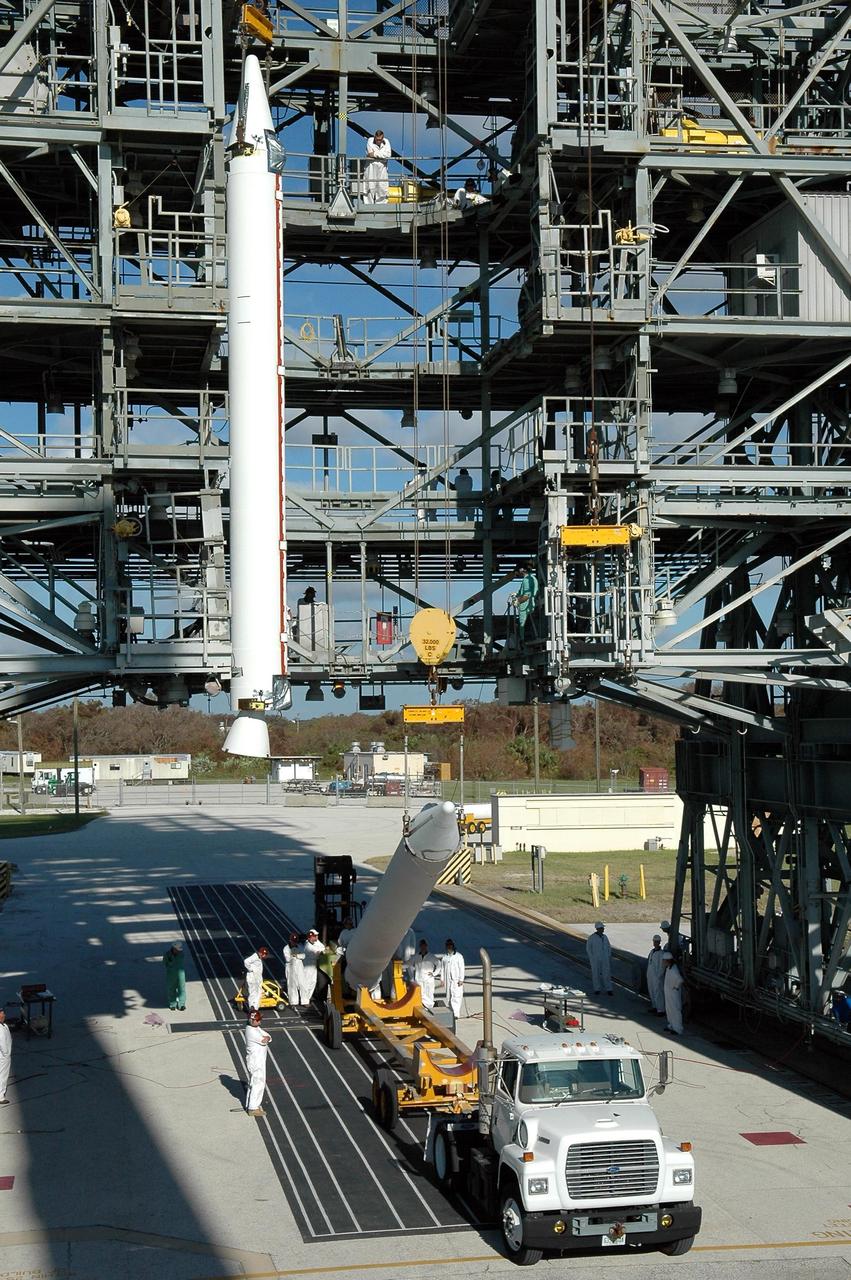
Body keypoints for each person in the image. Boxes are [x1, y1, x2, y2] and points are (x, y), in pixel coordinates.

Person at [244, 1008, 271, 1116]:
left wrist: (267, 1038)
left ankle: (251, 1104)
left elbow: (269, 1037)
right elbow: (264, 1041)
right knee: (257, 1083)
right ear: (252, 1021)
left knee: (255, 1083)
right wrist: (267, 1038)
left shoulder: (256, 1028)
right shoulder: (251, 1031)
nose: (260, 1021)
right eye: (258, 1019)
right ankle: (252, 1107)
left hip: (258, 1060)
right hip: (255, 1061)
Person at [364, 129, 391, 203]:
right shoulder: (370, 140)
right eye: (377, 139)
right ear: (374, 137)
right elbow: (369, 152)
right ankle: (368, 204)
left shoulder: (386, 142)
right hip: (371, 167)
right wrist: (382, 155)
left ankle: (382, 204)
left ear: (382, 138)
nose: (378, 141)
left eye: (380, 140)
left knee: (382, 186)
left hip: (382, 168)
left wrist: (375, 154)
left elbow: (388, 155)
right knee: (369, 186)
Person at [413, 938, 441, 1012]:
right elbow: (408, 963)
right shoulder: (416, 956)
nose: (423, 947)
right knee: (421, 995)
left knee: (429, 995)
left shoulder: (431, 956)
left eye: (424, 945)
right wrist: (399, 965)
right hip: (419, 980)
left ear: (426, 946)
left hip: (428, 980)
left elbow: (439, 965)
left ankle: (430, 1010)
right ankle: (424, 1010)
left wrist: (434, 973)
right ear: (420, 946)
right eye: (421, 946)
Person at [441, 938, 465, 1018]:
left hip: (456, 980)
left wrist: (461, 979)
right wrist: (442, 979)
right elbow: (442, 969)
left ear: (453, 946)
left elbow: (462, 968)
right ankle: (451, 1012)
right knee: (449, 996)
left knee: (456, 996)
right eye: (448, 946)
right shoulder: (445, 958)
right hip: (448, 980)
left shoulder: (458, 956)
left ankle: (456, 1014)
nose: (449, 948)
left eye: (450, 946)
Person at [586, 921, 613, 995]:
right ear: (598, 929)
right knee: (596, 974)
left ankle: (609, 989)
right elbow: (588, 948)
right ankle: (597, 989)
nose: (603, 929)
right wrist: (592, 958)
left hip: (604, 958)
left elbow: (608, 947)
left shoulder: (605, 937)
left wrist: (608, 955)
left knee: (606, 973)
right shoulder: (592, 938)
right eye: (602, 928)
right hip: (595, 959)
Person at [300, 928, 325, 1006]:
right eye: (314, 936)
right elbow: (318, 954)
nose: (316, 938)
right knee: (307, 983)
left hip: (313, 966)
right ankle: (304, 1001)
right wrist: (320, 950)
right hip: (307, 967)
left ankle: (308, 998)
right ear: (309, 938)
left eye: (316, 936)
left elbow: (322, 947)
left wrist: (321, 949)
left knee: (313, 982)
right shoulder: (308, 947)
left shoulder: (314, 942)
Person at [662, 952, 684, 1035]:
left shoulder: (674, 970)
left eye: (664, 960)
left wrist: (675, 987)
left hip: (673, 994)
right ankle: (671, 1025)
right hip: (668, 993)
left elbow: (680, 980)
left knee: (675, 1010)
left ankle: (678, 1028)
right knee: (669, 1009)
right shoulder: (669, 968)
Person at [244, 946, 270, 1011]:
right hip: (253, 978)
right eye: (264, 954)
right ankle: (252, 1008)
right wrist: (251, 970)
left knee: (258, 993)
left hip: (256, 978)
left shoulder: (258, 957)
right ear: (261, 953)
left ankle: (255, 1007)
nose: (265, 956)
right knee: (253, 993)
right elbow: (246, 961)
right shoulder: (254, 957)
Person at [646, 933, 666, 1016]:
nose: (655, 943)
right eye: (654, 941)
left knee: (658, 993)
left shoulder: (661, 954)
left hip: (657, 977)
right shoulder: (652, 951)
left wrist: (659, 976)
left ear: (659, 942)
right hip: (651, 975)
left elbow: (662, 967)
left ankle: (660, 1010)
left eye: (657, 942)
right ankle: (654, 1006)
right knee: (652, 991)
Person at [284, 932, 306, 1006]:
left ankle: (305, 1001)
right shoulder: (286, 948)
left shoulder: (300, 946)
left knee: (302, 983)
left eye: (295, 941)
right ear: (290, 940)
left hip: (299, 966)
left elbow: (303, 955)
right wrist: (297, 956)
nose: (294, 943)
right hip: (290, 967)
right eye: (293, 941)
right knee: (292, 984)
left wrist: (296, 955)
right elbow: (287, 958)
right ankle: (293, 1001)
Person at [163, 942, 186, 1011]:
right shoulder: (167, 954)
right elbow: (164, 962)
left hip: (180, 974)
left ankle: (181, 1004)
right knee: (171, 989)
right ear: (173, 948)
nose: (178, 951)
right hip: (171, 974)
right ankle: (172, 1004)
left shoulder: (181, 954)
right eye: (177, 949)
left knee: (181, 989)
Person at [0, 1009, 10, 1105]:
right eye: (2, 1014)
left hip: (2, 1055)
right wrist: (6, 1055)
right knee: (3, 1075)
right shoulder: (1, 1029)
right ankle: (1, 1096)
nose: (4, 1015)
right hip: (3, 1056)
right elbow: (3, 1044)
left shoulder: (4, 1025)